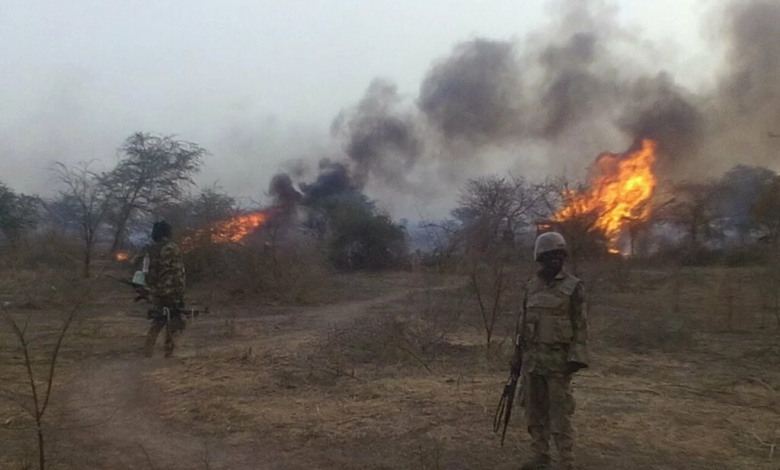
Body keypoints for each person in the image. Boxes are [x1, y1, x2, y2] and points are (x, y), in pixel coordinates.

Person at [511, 231, 589, 470]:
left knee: (560, 414)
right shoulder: (531, 287)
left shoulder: (573, 287)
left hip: (558, 362)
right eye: (549, 256)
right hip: (533, 361)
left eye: (559, 256)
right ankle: (540, 456)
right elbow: (522, 323)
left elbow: (581, 325)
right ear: (540, 259)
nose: (555, 260)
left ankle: (566, 461)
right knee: (534, 413)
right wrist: (516, 357)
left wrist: (576, 357)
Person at [143, 220, 187, 358]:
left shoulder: (149, 249)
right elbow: (178, 271)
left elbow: (144, 269)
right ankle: (169, 351)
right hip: (170, 289)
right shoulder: (172, 248)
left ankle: (148, 348)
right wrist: (180, 292)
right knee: (175, 318)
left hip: (154, 290)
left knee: (159, 318)